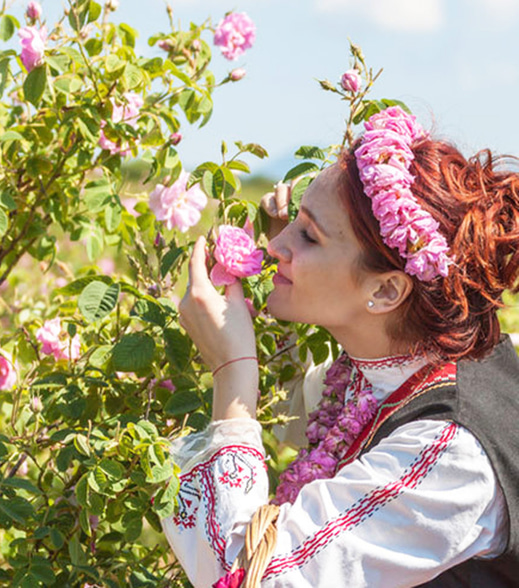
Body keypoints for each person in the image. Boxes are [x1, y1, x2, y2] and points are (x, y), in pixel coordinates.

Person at [161, 106, 519, 587]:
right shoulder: (399, 357)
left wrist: (233, 369)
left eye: (308, 234)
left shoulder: (452, 454)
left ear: (386, 292)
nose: (275, 245)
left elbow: (256, 580)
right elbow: (306, 414)